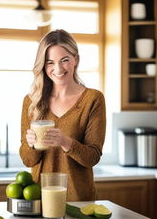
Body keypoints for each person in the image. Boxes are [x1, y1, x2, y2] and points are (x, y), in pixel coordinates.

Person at [19, 29, 106, 201]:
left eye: (64, 60)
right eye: (50, 62)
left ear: (76, 60)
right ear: (43, 65)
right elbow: (28, 161)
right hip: (40, 200)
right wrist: (31, 145)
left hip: (80, 203)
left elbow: (92, 157)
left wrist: (65, 142)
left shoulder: (92, 99)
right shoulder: (32, 102)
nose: (58, 69)